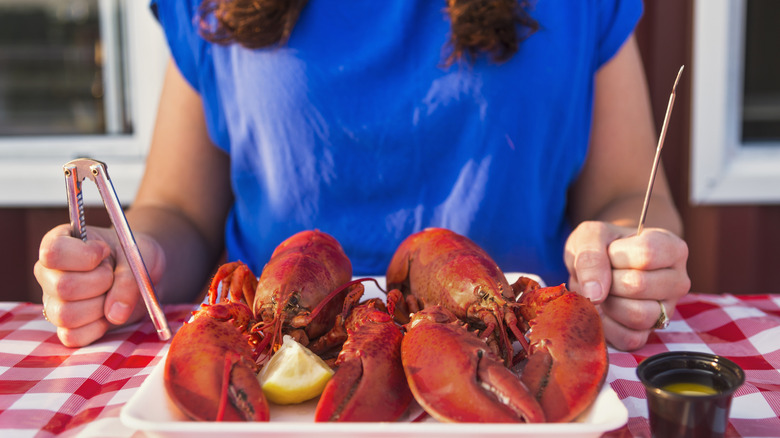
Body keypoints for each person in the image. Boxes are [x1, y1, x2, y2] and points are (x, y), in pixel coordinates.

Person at [34, 0, 689, 351]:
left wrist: (627, 259)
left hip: (514, 350)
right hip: (276, 359)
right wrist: (133, 258)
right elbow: (179, 208)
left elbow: (631, 193)